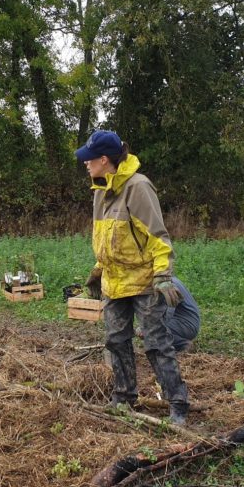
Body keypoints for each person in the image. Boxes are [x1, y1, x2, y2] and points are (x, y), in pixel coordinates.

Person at [77, 129, 190, 425]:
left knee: (155, 342)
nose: (85, 164)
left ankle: (177, 404)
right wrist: (98, 270)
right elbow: (107, 238)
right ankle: (124, 397)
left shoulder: (138, 187)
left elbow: (158, 237)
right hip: (114, 282)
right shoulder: (100, 190)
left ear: (104, 159)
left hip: (142, 281)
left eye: (89, 159)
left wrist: (163, 275)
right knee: (116, 341)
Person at [136, 276, 200, 353]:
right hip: (186, 322)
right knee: (150, 330)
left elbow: (169, 312)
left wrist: (146, 328)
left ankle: (183, 344)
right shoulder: (166, 279)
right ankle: (171, 346)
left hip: (187, 323)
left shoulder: (167, 284)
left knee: (153, 330)